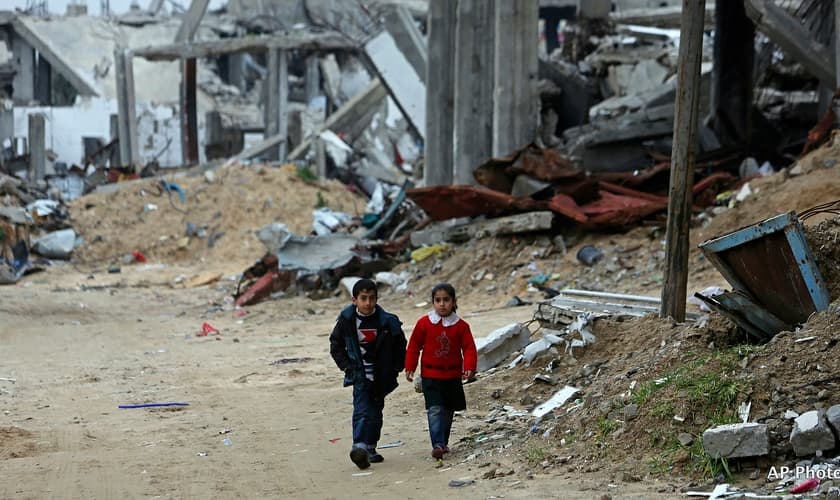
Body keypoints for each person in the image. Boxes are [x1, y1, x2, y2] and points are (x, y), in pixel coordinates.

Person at [329, 278, 406, 470]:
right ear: (354, 300)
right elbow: (336, 346)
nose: (368, 303)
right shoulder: (346, 321)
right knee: (362, 410)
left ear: (377, 299)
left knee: (376, 413)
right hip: (360, 375)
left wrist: (397, 368)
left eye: (372, 298)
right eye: (363, 298)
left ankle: (370, 447)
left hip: (382, 376)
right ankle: (359, 447)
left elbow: (400, 346)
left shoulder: (388, 322)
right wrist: (348, 367)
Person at [405, 283, 477, 459]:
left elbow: (469, 348)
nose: (442, 304)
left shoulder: (461, 326)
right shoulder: (424, 324)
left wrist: (469, 367)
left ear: (454, 302)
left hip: (452, 376)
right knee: (435, 409)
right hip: (431, 376)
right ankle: (437, 443)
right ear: (433, 302)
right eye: (438, 300)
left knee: (448, 411)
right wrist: (410, 366)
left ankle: (443, 442)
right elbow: (414, 345)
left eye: (446, 300)